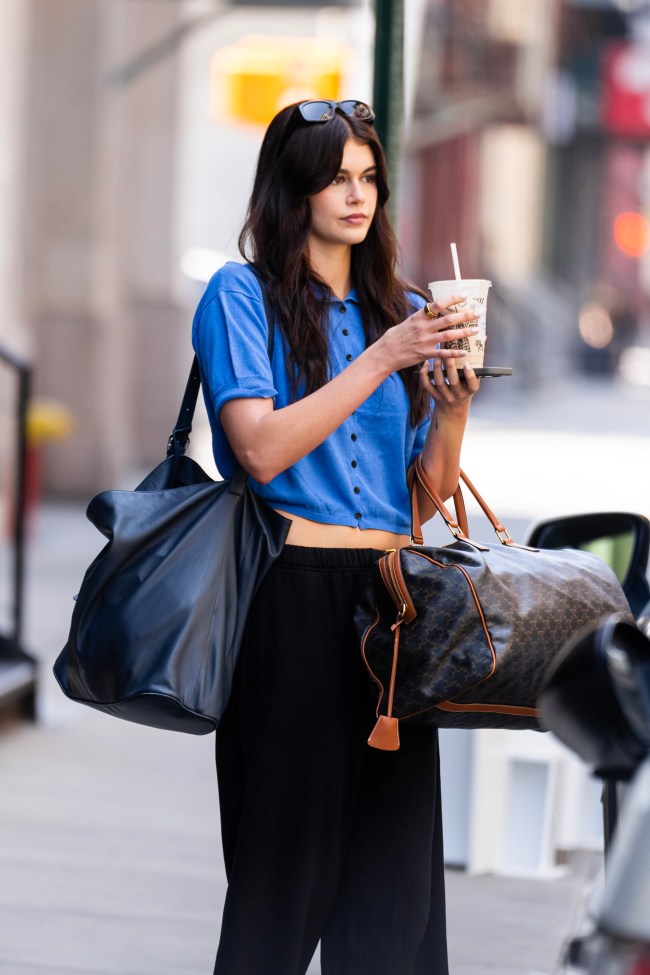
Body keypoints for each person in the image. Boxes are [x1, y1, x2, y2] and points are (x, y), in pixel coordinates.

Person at [192, 98, 480, 975]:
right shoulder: (240, 296)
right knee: (283, 885)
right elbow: (259, 447)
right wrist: (384, 358)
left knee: (394, 902)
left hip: (394, 608)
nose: (356, 196)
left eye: (368, 178)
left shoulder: (408, 307)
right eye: (335, 176)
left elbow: (418, 501)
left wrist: (454, 411)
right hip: (291, 594)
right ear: (293, 187)